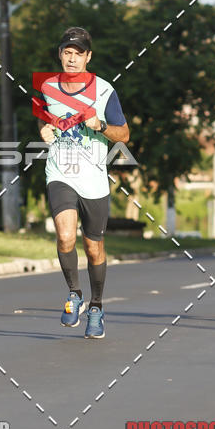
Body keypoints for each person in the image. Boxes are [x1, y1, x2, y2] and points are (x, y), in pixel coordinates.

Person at [37, 27, 130, 339]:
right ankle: (74, 294)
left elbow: (124, 134)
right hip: (60, 172)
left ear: (88, 57)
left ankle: (97, 306)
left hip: (93, 179)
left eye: (78, 53)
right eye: (67, 52)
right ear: (60, 54)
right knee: (65, 237)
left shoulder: (104, 91)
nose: (72, 58)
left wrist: (100, 125)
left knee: (93, 248)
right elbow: (44, 118)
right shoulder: (47, 86)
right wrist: (43, 130)